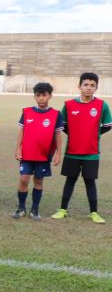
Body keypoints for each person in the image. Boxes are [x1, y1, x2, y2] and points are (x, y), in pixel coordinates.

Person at [52, 72, 112, 223]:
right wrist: (75, 135)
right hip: (72, 152)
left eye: (92, 85)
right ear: (79, 86)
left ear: (96, 88)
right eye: (86, 85)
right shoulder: (69, 105)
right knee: (70, 180)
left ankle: (94, 213)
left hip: (91, 153)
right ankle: (62, 210)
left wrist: (94, 134)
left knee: (90, 182)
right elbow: (63, 126)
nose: (89, 88)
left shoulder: (102, 105)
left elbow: (107, 125)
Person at [14, 82, 62, 220]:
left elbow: (57, 134)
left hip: (44, 154)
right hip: (27, 153)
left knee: (39, 181)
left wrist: (58, 153)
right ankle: (21, 208)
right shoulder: (27, 111)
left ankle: (35, 210)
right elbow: (22, 131)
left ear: (50, 96)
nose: (41, 98)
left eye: (44, 95)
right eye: (38, 95)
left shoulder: (55, 114)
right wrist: (18, 148)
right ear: (34, 96)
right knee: (23, 179)